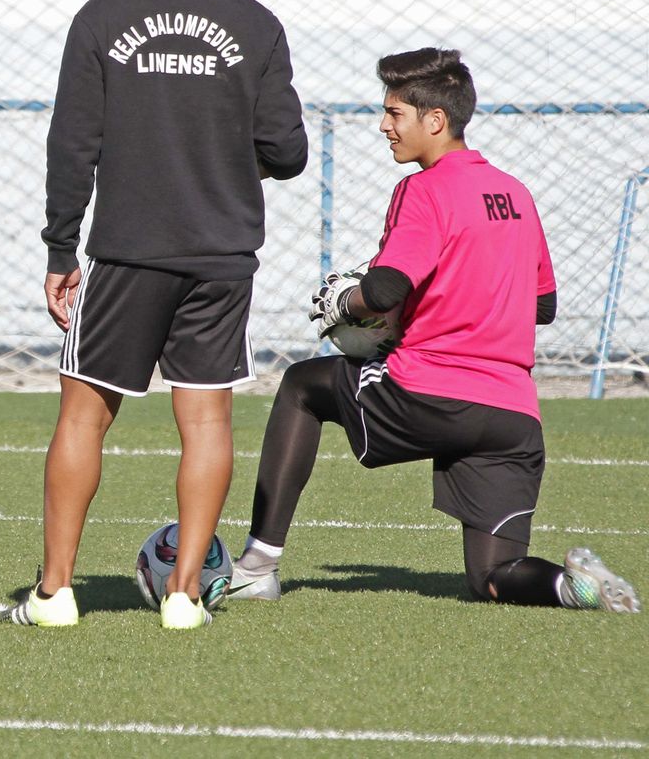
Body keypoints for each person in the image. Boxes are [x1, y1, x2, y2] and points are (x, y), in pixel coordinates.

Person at [4, 0, 308, 631]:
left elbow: (71, 143)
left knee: (83, 416)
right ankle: (182, 595)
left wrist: (59, 251)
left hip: (129, 251)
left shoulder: (101, 19)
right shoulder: (257, 23)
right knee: (205, 423)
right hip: (221, 254)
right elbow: (289, 149)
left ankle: (55, 593)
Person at [229, 48, 640, 614]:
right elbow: (541, 305)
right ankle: (571, 588)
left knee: (302, 386)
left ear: (435, 121)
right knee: (493, 574)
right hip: (511, 417)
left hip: (430, 393)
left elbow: (383, 291)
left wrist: (345, 302)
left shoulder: (424, 189)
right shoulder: (514, 192)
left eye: (394, 113)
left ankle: (257, 567)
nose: (383, 126)